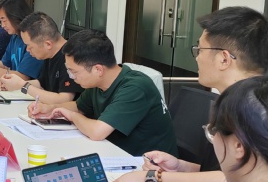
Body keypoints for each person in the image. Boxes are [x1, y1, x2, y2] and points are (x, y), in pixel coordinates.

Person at [112, 6, 268, 182]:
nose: (197, 57)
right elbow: (230, 173)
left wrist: (153, 181)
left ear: (224, 59)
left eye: (200, 50)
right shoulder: (233, 102)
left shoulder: (257, 108)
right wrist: (181, 168)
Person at [31, 29, 177, 157]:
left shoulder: (135, 87)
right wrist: (48, 109)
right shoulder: (98, 83)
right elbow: (78, 106)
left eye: (73, 72)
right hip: (114, 153)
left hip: (149, 166)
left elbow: (97, 132)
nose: (72, 77)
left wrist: (72, 116)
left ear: (98, 69)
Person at [0, 11, 82, 104]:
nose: (28, 50)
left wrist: (23, 85)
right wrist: (14, 83)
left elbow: (64, 99)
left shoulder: (70, 57)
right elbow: (42, 83)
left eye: (29, 46)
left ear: (48, 44)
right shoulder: (49, 54)